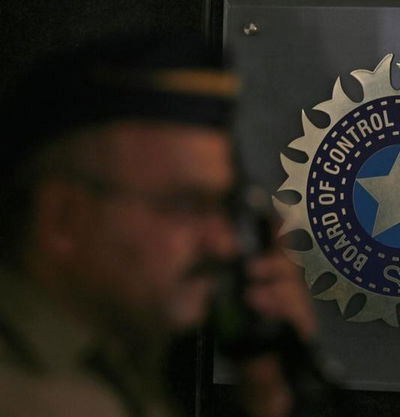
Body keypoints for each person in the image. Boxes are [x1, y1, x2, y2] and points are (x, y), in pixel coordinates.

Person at [0, 34, 316, 417]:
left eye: (222, 207)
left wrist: (270, 392)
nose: (224, 244)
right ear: (63, 218)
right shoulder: (31, 394)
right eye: (185, 205)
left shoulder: (115, 360)